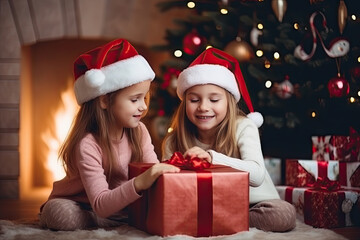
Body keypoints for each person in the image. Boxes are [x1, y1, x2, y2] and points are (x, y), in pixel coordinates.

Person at [39, 39, 180, 231]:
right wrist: (140, 182)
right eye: (135, 99)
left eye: (145, 98)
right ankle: (117, 220)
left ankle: (119, 218)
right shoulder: (88, 144)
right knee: (61, 215)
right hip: (84, 204)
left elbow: (152, 172)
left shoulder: (139, 132)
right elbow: (101, 204)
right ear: (105, 101)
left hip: (121, 203)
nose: (144, 106)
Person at [162, 47, 296, 232]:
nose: (203, 107)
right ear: (185, 103)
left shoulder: (243, 127)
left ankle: (214, 220)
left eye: (214, 100)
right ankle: (216, 218)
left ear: (229, 102)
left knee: (283, 215)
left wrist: (212, 158)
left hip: (254, 203)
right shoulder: (173, 141)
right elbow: (167, 187)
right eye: (194, 100)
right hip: (206, 203)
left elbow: (257, 175)